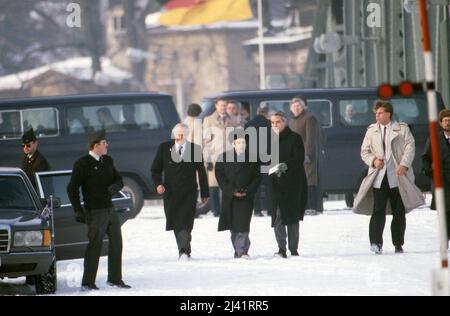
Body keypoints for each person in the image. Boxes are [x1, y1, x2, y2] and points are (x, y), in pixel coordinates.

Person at [353, 100, 424, 254]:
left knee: (399, 211)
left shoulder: (402, 129)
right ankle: (375, 243)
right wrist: (373, 161)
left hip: (398, 176)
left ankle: (398, 243)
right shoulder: (371, 131)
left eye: (380, 113)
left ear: (388, 114)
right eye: (376, 113)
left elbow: (410, 147)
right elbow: (364, 151)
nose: (377, 116)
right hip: (379, 177)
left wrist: (404, 164)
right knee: (378, 211)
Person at [67, 130, 130, 290]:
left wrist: (115, 187)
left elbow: (119, 179)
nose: (107, 145)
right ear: (96, 146)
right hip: (94, 211)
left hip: (109, 209)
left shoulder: (107, 160)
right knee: (95, 245)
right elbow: (72, 188)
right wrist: (78, 210)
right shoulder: (82, 163)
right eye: (104, 143)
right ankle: (88, 282)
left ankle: (115, 279)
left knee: (117, 242)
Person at [151, 123, 209, 259]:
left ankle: (184, 251)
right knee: (177, 221)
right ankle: (184, 249)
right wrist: (158, 184)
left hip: (189, 192)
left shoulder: (195, 149)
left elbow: (201, 172)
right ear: (173, 134)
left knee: (186, 221)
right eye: (177, 134)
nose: (179, 137)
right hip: (171, 192)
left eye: (182, 134)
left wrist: (205, 192)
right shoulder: (164, 148)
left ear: (187, 135)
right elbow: (155, 170)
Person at [215, 128, 261, 259]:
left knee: (243, 224)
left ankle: (242, 251)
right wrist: (231, 191)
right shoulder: (223, 157)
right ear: (233, 143)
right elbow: (220, 176)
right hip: (230, 197)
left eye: (243, 142)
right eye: (238, 142)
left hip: (246, 196)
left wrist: (248, 190)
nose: (241, 144)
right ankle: (239, 249)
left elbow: (257, 177)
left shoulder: (253, 158)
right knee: (233, 225)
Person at [269, 111, 308, 258]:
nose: (275, 125)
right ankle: (281, 248)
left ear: (284, 122)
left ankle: (293, 249)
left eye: (278, 122)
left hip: (293, 183)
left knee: (292, 218)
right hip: (275, 184)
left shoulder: (295, 138)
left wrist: (285, 166)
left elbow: (299, 158)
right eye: (272, 123)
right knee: (278, 217)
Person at [288, 95, 323, 215]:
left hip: (307, 157)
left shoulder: (309, 118)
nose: (296, 108)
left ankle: (312, 206)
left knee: (309, 181)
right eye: (294, 106)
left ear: (303, 107)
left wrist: (307, 155)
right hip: (295, 156)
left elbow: (311, 139)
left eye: (298, 106)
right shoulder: (291, 121)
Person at [422, 109, 450, 245]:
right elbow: (426, 157)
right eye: (445, 121)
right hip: (442, 180)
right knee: (444, 211)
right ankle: (445, 239)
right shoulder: (434, 138)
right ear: (441, 123)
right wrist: (429, 171)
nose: (448, 123)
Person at [203, 97, 232, 217]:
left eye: (225, 105)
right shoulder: (209, 120)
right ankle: (216, 210)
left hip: (230, 156)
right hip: (215, 156)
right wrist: (207, 158)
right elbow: (206, 140)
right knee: (214, 184)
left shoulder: (232, 119)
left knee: (228, 183)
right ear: (216, 106)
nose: (223, 108)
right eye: (221, 105)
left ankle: (227, 209)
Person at [245, 105, 272, 217]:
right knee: (269, 185)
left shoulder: (248, 124)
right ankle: (271, 209)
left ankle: (257, 210)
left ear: (257, 112)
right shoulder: (270, 124)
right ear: (266, 113)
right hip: (267, 158)